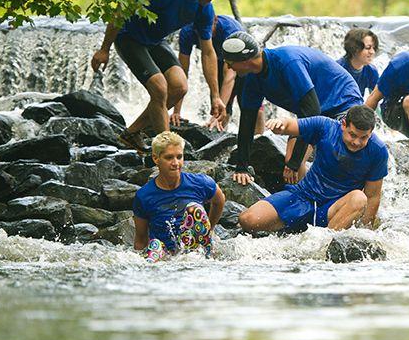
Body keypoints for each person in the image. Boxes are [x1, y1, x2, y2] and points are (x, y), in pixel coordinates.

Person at [91, 0, 230, 153]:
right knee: (159, 88)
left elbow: (208, 52)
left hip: (155, 41)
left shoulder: (204, 9)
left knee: (180, 87)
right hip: (128, 37)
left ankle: (131, 133)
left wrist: (215, 96)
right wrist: (104, 49)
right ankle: (166, 150)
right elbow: (121, 11)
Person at [221, 33, 363, 186]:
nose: (228, 67)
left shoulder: (288, 63)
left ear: (244, 60)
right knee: (291, 161)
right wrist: (242, 168)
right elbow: (247, 121)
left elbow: (312, 112)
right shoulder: (252, 78)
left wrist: (295, 163)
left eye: (230, 62)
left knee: (332, 159)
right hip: (314, 109)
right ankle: (309, 196)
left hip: (343, 103)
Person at [237, 105, 388, 233]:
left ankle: (325, 244)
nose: (356, 142)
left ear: (371, 133)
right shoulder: (326, 127)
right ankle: (293, 228)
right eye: (352, 135)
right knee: (247, 220)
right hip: (303, 195)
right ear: (343, 125)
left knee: (359, 198)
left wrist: (365, 234)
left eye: (364, 137)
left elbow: (373, 196)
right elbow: (293, 125)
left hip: (332, 210)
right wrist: (281, 124)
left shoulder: (378, 150)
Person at [132, 131, 226, 262]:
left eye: (179, 157)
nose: (176, 163)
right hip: (165, 254)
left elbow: (219, 200)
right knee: (155, 246)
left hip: (195, 251)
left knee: (194, 209)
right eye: (169, 158)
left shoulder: (200, 183)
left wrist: (210, 228)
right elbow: (141, 239)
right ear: (156, 158)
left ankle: (200, 256)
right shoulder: (144, 195)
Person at [174, 13, 253, 131]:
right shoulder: (188, 31)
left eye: (206, 28)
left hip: (245, 62)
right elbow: (182, 72)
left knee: (250, 104)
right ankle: (220, 134)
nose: (203, 32)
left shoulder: (229, 32)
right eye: (199, 29)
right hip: (218, 60)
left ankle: (259, 137)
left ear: (215, 21)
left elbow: (229, 76)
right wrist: (176, 112)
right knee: (219, 101)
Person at [336, 28, 380, 96]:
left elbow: (374, 98)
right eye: (368, 48)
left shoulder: (371, 71)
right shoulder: (337, 70)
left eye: (374, 48)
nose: (372, 52)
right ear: (354, 48)